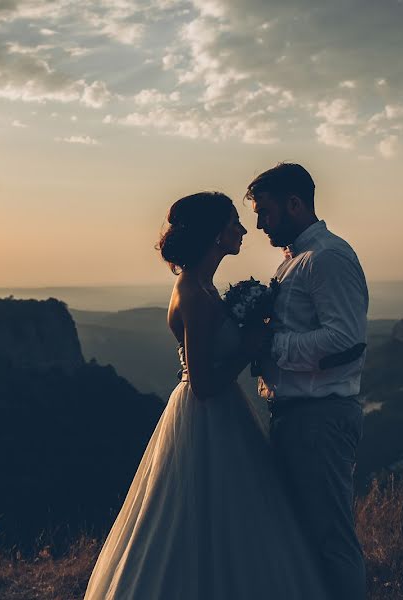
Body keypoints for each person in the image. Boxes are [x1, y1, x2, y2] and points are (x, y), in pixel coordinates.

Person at [83, 191, 328, 600]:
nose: (242, 229)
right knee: (197, 518)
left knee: (230, 519)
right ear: (216, 234)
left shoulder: (204, 287)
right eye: (234, 222)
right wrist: (249, 348)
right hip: (204, 415)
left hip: (223, 413)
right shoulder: (194, 295)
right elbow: (202, 383)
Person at [248, 162, 369, 600]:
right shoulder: (296, 260)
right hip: (297, 416)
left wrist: (270, 348)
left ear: (294, 204)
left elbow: (346, 340)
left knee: (331, 541)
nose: (259, 223)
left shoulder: (327, 258)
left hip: (319, 417)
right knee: (303, 539)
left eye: (265, 211)